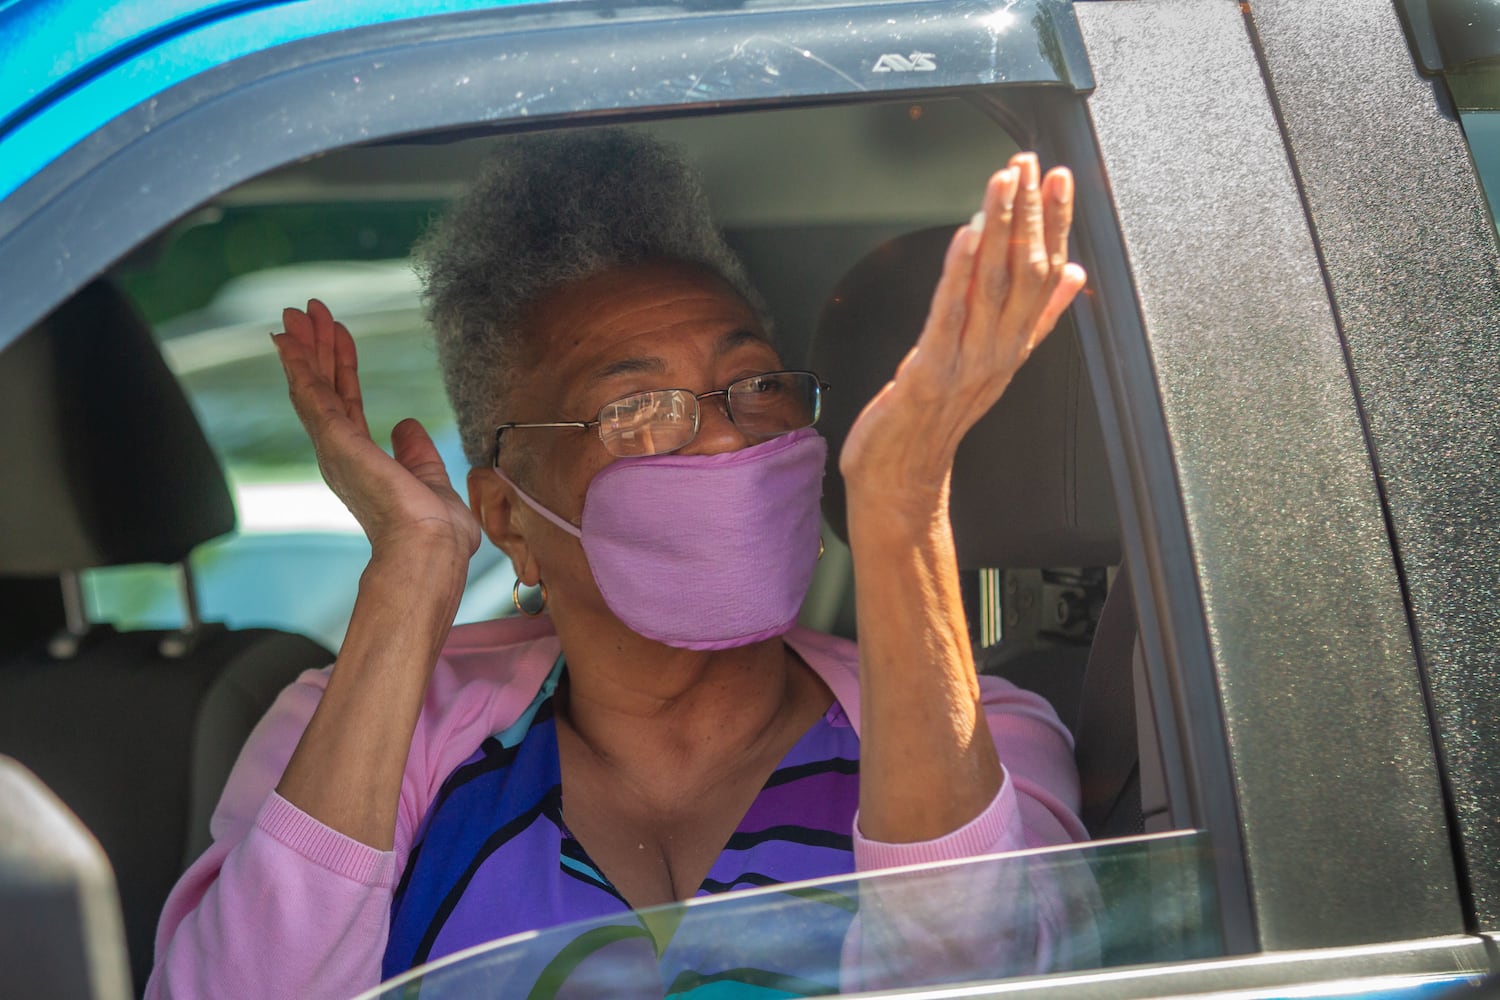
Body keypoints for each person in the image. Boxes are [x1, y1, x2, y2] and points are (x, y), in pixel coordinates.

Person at [147, 129, 1090, 998]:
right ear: (512, 517)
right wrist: (413, 573)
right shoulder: (372, 723)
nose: (722, 440)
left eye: (755, 386)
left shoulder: (982, 731)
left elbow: (985, 971)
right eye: (636, 410)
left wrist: (899, 502)